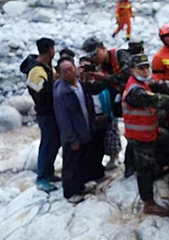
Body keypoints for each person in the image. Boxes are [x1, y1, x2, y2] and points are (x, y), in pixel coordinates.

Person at [122, 54, 169, 216]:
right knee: (144, 168)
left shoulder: (144, 83)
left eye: (147, 67)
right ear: (132, 70)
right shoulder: (135, 91)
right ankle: (148, 203)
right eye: (141, 68)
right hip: (140, 137)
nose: (145, 71)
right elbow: (158, 100)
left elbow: (162, 86)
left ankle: (160, 168)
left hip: (150, 131)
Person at [80, 37, 131, 172]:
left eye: (95, 54)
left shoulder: (120, 55)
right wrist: (83, 81)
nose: (94, 58)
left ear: (103, 49)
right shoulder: (101, 67)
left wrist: (104, 77)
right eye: (91, 56)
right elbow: (100, 87)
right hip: (122, 102)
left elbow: (127, 74)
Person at [20, 37, 60, 192]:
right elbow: (41, 94)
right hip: (46, 113)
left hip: (51, 112)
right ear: (50, 50)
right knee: (47, 144)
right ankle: (42, 178)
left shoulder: (46, 67)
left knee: (54, 143)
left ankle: (49, 173)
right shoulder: (37, 71)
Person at [53, 58, 96, 203]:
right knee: (70, 164)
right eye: (65, 71)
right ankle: (70, 193)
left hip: (84, 129)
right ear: (60, 74)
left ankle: (80, 186)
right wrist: (72, 139)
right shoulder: (62, 93)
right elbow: (63, 119)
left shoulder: (79, 84)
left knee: (82, 161)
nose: (70, 73)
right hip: (73, 135)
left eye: (71, 69)